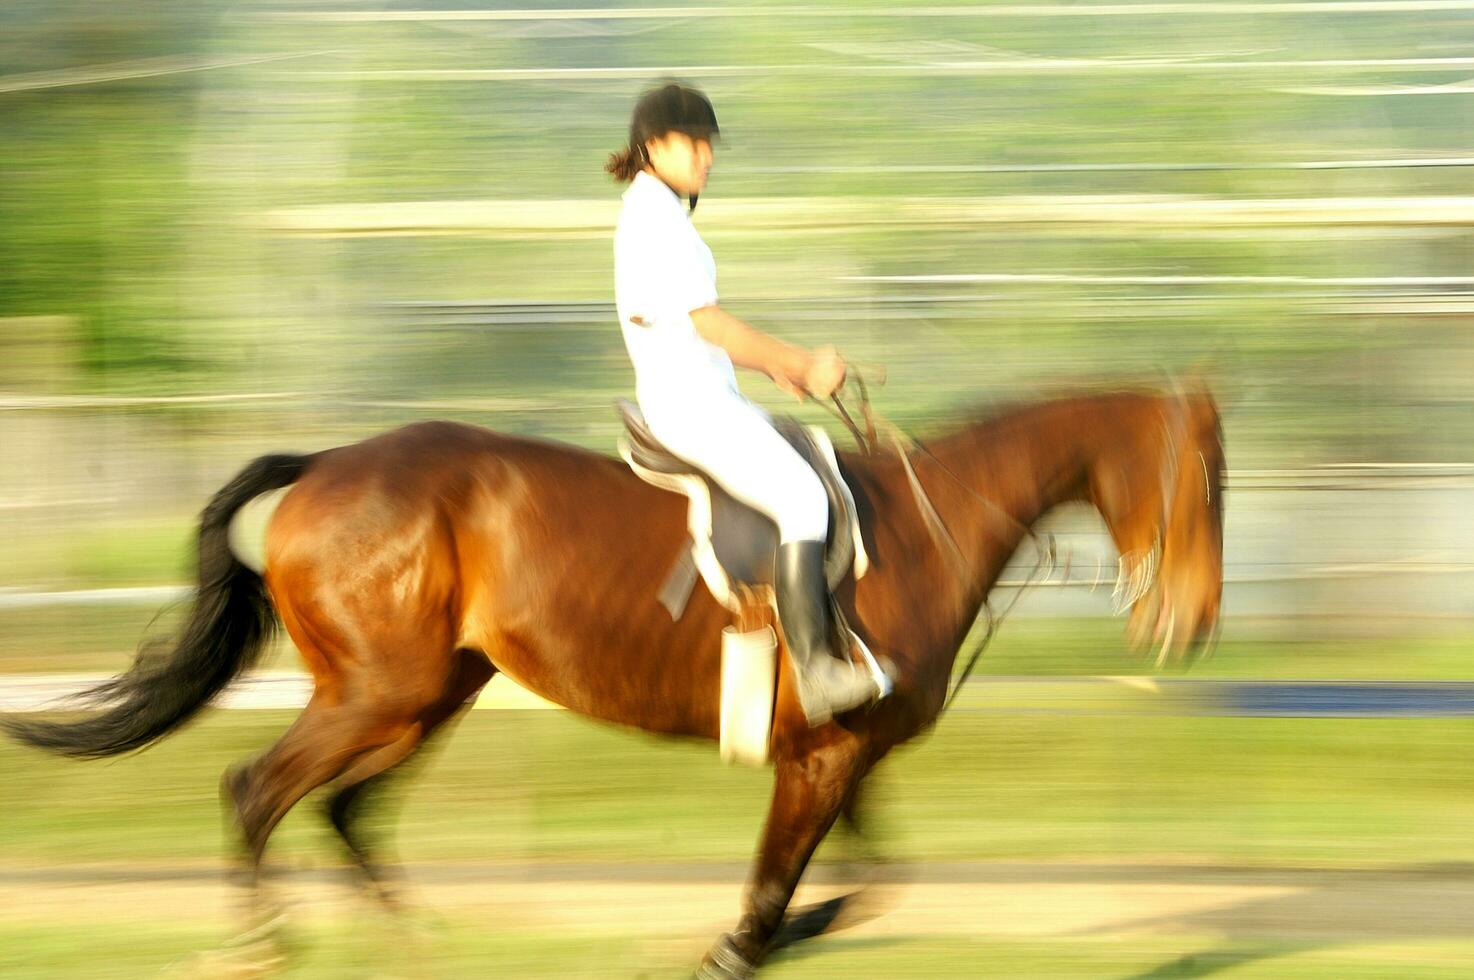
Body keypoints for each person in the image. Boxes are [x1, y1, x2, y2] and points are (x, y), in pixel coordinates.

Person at [607, 81, 887, 726]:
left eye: (710, 144)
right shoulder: (659, 220)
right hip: (692, 407)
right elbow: (710, 326)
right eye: (693, 142)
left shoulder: (655, 211)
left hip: (702, 395)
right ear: (655, 146)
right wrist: (799, 363)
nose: (707, 155)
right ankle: (817, 671)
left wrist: (773, 374)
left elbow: (691, 332)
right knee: (804, 498)